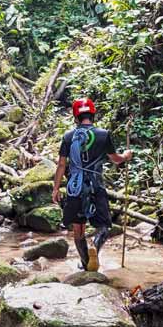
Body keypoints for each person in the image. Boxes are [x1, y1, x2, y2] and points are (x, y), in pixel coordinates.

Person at [51, 98, 132, 271]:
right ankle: (95, 245)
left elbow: (61, 165)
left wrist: (56, 188)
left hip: (75, 187)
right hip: (96, 185)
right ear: (92, 114)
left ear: (76, 117)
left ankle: (86, 262)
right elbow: (115, 160)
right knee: (104, 225)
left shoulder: (68, 137)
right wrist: (126, 156)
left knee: (78, 228)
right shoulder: (103, 134)